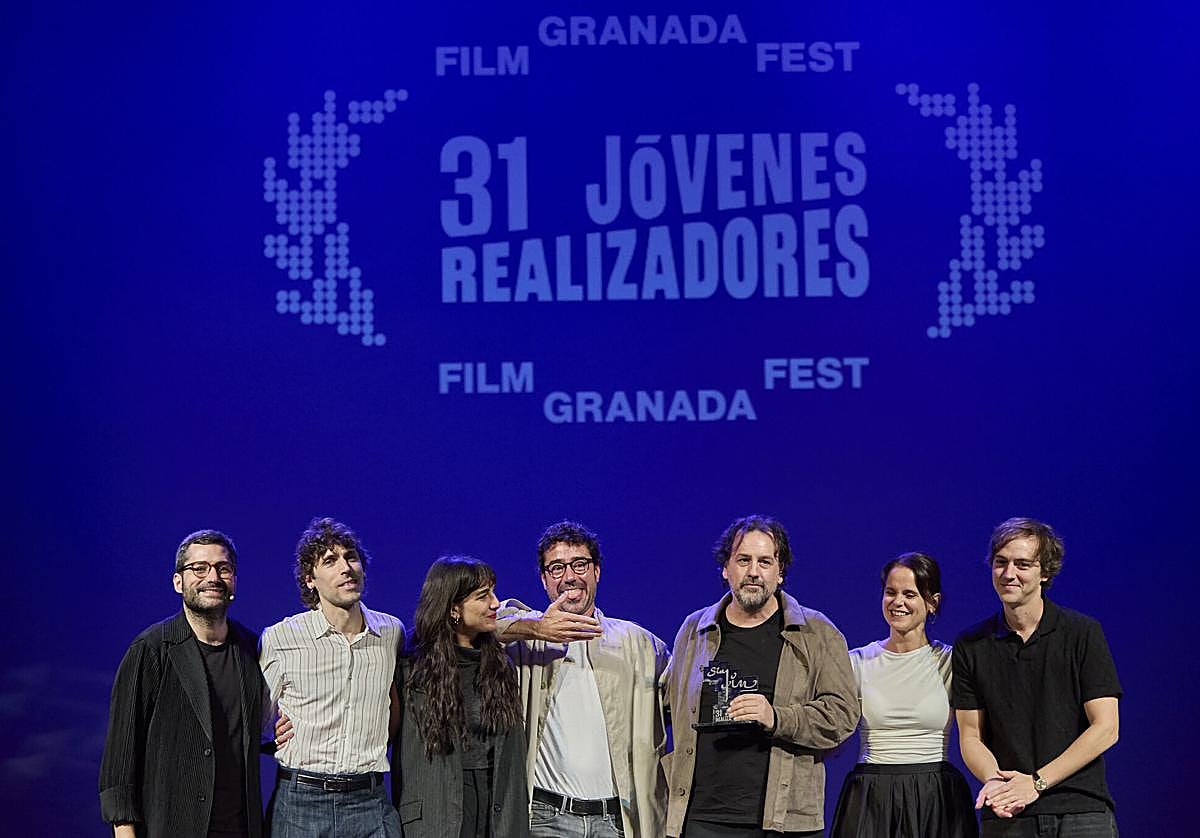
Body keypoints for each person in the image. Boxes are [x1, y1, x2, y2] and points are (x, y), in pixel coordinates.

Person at [662, 514, 859, 838]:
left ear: (780, 572)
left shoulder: (816, 632)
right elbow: (669, 702)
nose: (754, 572)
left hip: (784, 821)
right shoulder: (694, 630)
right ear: (726, 568)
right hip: (702, 818)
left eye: (765, 561)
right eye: (743, 560)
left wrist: (777, 717)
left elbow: (843, 715)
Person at [495, 521, 670, 838]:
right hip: (545, 818)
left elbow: (683, 698)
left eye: (579, 564)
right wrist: (538, 628)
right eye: (557, 567)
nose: (570, 576)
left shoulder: (638, 644)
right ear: (544, 579)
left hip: (615, 820)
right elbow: (486, 622)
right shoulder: (527, 640)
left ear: (597, 572)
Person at [954, 518, 1121, 836]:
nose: (1008, 573)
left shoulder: (1082, 633)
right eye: (1000, 563)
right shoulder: (971, 644)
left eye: (1023, 564)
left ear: (1045, 573)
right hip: (1009, 815)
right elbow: (970, 736)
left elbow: (1107, 728)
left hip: (1080, 810)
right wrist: (996, 783)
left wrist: (1036, 782)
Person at [100, 529, 265, 838]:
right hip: (170, 827)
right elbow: (121, 756)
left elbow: (258, 728)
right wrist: (124, 831)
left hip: (239, 828)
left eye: (222, 568)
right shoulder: (151, 649)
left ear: (234, 580)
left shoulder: (251, 649)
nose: (212, 576)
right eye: (199, 568)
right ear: (178, 582)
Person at [259, 517, 405, 838]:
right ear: (310, 580)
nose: (346, 567)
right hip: (302, 802)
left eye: (351, 557)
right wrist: (271, 735)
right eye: (330, 560)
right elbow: (256, 721)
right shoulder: (281, 638)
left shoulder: (390, 632)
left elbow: (395, 704)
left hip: (369, 800)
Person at [830, 552, 977, 837]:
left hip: (935, 795)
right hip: (871, 796)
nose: (898, 602)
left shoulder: (950, 662)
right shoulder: (857, 661)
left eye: (910, 594)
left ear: (932, 602)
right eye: (891, 592)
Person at [391, 556, 530, 838]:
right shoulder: (410, 668)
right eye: (483, 596)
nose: (495, 603)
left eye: (493, 592)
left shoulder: (501, 666)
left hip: (495, 810)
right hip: (437, 813)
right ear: (454, 607)